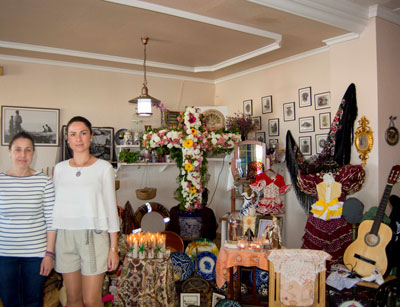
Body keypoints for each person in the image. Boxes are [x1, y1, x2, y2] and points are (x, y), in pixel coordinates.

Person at [52, 116, 119, 307]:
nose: (78, 139)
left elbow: (110, 209)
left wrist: (113, 248)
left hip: (94, 236)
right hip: (65, 237)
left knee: (91, 300)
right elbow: (55, 209)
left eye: (83, 133)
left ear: (90, 136)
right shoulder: (60, 169)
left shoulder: (103, 168)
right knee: (72, 298)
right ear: (68, 139)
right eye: (73, 134)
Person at [0, 131, 56, 307]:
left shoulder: (44, 182)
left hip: (35, 256)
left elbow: (51, 222)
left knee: (33, 302)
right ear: (9, 152)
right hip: (4, 255)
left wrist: (49, 254)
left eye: (27, 150)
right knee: (9, 302)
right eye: (17, 150)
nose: (22, 155)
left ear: (33, 153)